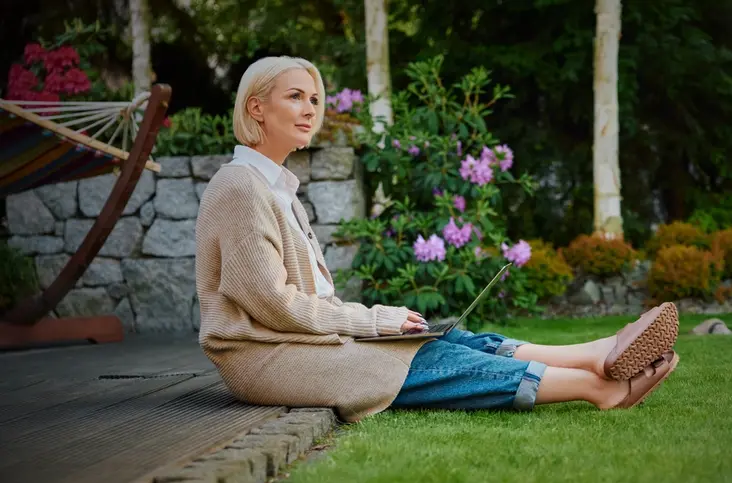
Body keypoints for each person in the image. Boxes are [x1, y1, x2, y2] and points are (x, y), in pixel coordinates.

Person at [195, 56, 681, 424]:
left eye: (315, 99)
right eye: (295, 97)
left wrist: (375, 325)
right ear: (256, 106)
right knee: (428, 358)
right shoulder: (240, 186)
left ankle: (596, 353)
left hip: (301, 344)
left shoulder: (277, 188)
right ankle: (597, 386)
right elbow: (272, 304)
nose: (310, 110)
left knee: (446, 338)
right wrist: (373, 320)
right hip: (268, 357)